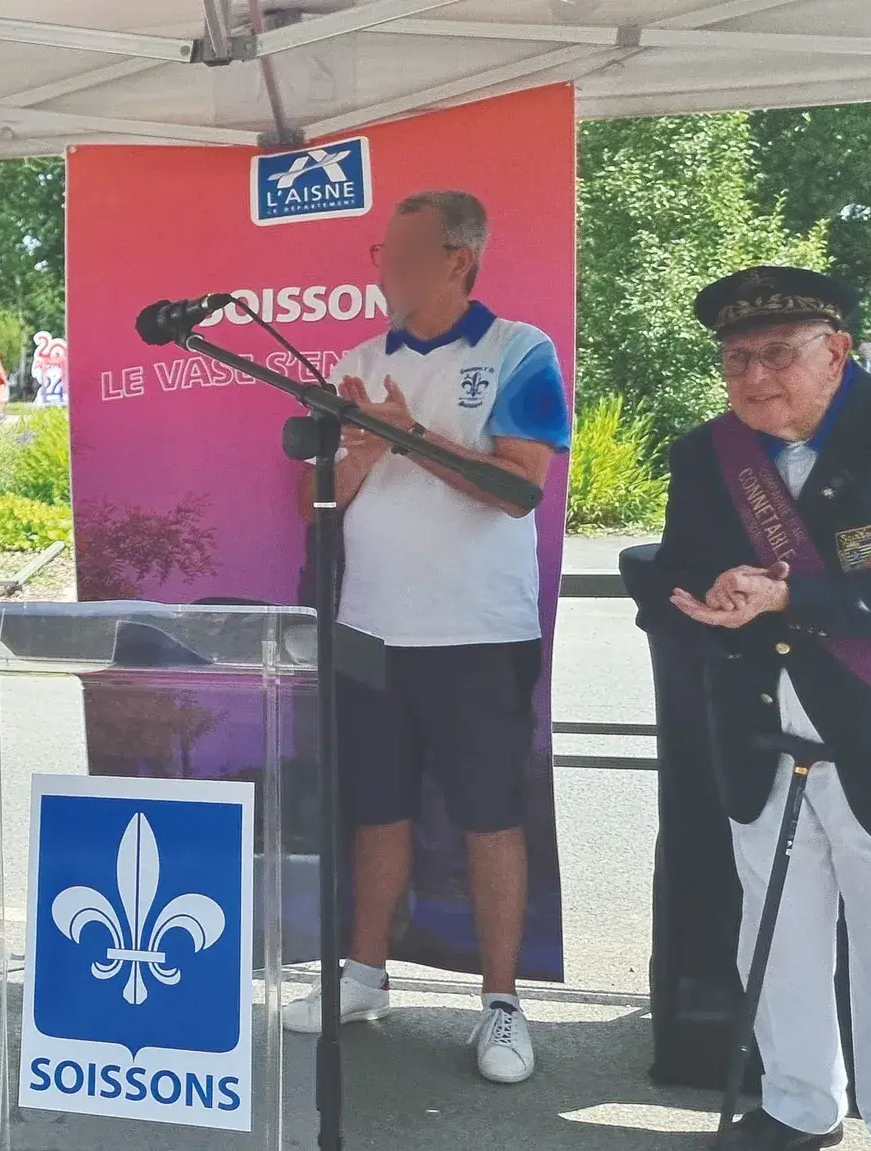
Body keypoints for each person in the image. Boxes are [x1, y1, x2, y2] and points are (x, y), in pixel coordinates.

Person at [633, 266, 871, 1151]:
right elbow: (669, 576)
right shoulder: (707, 454)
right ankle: (800, 1105)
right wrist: (708, 594)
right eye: (735, 359)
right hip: (765, 736)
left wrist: (785, 596)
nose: (754, 376)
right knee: (778, 942)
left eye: (777, 353)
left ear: (837, 351)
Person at [277, 189, 572, 1088]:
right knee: (378, 809)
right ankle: (364, 976)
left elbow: (521, 488)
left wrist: (410, 437)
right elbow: (315, 505)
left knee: (490, 817)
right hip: (371, 627)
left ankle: (501, 1002)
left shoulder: (520, 350)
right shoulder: (359, 361)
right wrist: (365, 451)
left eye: (403, 253)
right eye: (382, 252)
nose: (386, 270)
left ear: (457, 259)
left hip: (479, 631)